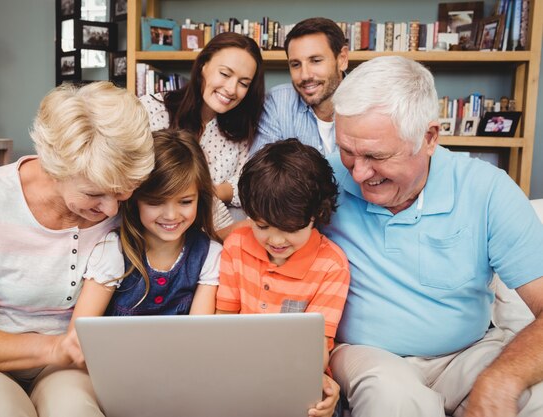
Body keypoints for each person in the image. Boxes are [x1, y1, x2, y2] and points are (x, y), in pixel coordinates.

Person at [0, 81, 155, 417]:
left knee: (75, 412)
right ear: (55, 167)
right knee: (1, 412)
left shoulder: (119, 200)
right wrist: (55, 347)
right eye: (93, 194)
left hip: (60, 371)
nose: (113, 210)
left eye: (122, 192)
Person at [322, 56, 543, 417]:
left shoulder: (486, 189)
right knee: (392, 399)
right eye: (347, 150)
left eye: (377, 155)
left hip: (468, 351)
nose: (359, 173)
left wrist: (503, 379)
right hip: (366, 354)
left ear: (429, 138)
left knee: (532, 397)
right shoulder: (321, 180)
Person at [216, 138, 350, 417]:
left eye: (289, 229)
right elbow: (222, 324)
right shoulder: (237, 244)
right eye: (262, 226)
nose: (275, 240)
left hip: (297, 379)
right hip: (238, 373)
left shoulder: (331, 265)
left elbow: (317, 350)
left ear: (317, 215)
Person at [67, 129, 222, 343]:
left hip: (181, 366)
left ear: (199, 199)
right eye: (155, 202)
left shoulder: (209, 254)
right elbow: (77, 338)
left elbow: (198, 338)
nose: (171, 215)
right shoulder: (113, 250)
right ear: (134, 199)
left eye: (185, 202)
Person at [139, 32, 265, 232]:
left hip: (211, 231)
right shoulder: (151, 110)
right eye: (224, 74)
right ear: (203, 67)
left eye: (243, 83)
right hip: (153, 229)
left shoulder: (241, 132)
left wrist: (217, 191)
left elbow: (248, 185)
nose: (232, 89)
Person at [252, 17, 349, 156]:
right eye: (296, 64)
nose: (305, 75)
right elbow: (260, 172)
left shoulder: (373, 101)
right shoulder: (277, 102)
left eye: (315, 61)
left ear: (342, 59)